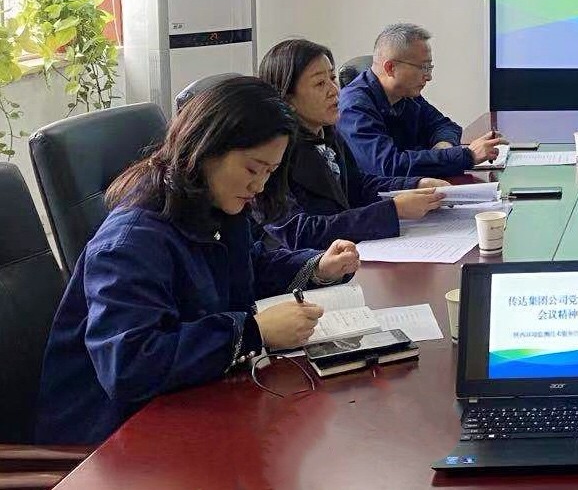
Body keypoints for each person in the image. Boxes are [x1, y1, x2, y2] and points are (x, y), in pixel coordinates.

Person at [34, 77, 362, 445]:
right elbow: (128, 365)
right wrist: (253, 332)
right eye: (252, 169)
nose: (259, 186)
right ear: (206, 150)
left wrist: (317, 268)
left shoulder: (215, 204)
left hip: (187, 400)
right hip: (111, 435)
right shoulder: (131, 241)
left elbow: (246, 268)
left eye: (269, 172)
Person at [256, 38, 451, 249]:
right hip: (304, 263)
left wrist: (414, 185)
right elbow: (299, 233)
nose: (334, 90)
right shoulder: (270, 156)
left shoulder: (327, 134)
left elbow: (357, 185)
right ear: (287, 98)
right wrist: (393, 211)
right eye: (320, 83)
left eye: (332, 78)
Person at [338, 23, 502, 177]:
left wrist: (443, 146)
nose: (429, 77)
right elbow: (388, 166)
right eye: (423, 67)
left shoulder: (406, 95)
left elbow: (445, 125)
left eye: (429, 67)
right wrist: (467, 156)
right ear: (390, 68)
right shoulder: (354, 106)